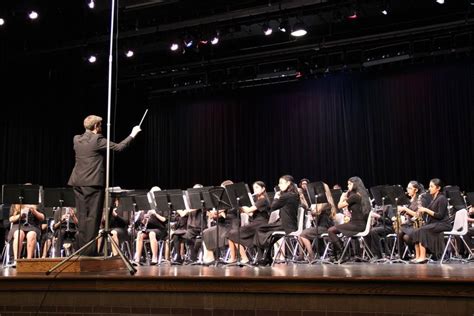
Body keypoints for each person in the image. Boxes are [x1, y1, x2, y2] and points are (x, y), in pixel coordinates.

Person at [68, 114, 141, 256]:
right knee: (93, 217)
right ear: (96, 126)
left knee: (82, 216)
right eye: (100, 125)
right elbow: (119, 147)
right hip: (93, 183)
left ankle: (82, 250)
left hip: (77, 182)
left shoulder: (76, 139)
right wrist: (133, 134)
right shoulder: (97, 139)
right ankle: (90, 252)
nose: (101, 128)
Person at [254, 175, 299, 266]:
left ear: (288, 183)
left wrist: (276, 197)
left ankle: (263, 258)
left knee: (260, 229)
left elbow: (272, 207)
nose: (279, 185)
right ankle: (266, 257)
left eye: (281, 183)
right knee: (268, 235)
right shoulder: (294, 195)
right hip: (290, 224)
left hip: (285, 225)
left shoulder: (286, 196)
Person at [327, 176, 371, 262]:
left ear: (355, 184)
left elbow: (339, 206)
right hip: (359, 224)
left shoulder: (355, 196)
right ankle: (338, 255)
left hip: (357, 225)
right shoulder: (362, 195)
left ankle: (344, 253)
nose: (348, 186)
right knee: (333, 230)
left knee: (330, 230)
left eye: (349, 184)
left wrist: (342, 197)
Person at [226, 181, 271, 264]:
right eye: (254, 188)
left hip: (260, 225)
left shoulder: (263, 200)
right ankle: (235, 258)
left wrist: (238, 203)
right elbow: (250, 214)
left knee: (233, 234)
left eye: (257, 187)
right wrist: (239, 207)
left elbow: (249, 210)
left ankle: (244, 258)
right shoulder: (258, 200)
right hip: (256, 223)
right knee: (231, 234)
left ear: (263, 189)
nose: (255, 190)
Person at [411, 178, 452, 263]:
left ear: (438, 188)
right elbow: (429, 213)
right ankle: (417, 256)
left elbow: (440, 215)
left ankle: (423, 257)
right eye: (429, 186)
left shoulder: (442, 198)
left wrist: (425, 210)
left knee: (422, 230)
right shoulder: (434, 199)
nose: (429, 188)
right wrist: (421, 212)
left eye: (431, 186)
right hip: (436, 223)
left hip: (443, 224)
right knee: (417, 230)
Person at [298, 182, 336, 261]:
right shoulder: (320, 203)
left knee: (303, 234)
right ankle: (301, 256)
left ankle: (311, 255)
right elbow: (312, 212)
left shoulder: (326, 203)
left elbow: (316, 212)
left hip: (325, 227)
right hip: (319, 226)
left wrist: (312, 210)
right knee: (300, 234)